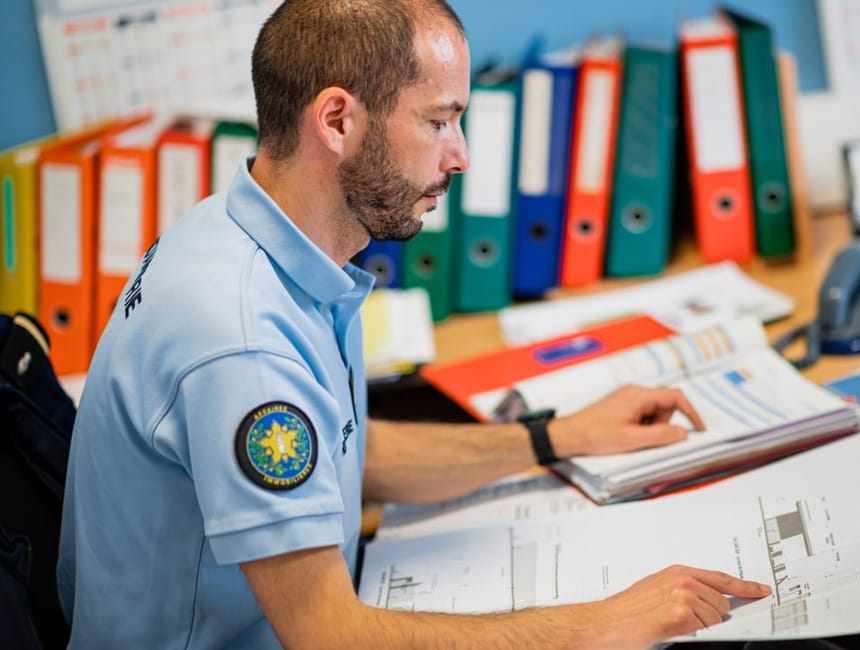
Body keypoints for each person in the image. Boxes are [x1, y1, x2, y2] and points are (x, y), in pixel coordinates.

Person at [57, 0, 772, 647]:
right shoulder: (240, 339)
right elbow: (328, 635)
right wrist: (603, 624)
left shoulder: (248, 232)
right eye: (437, 121)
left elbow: (343, 456)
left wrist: (553, 438)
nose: (459, 156)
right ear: (337, 121)